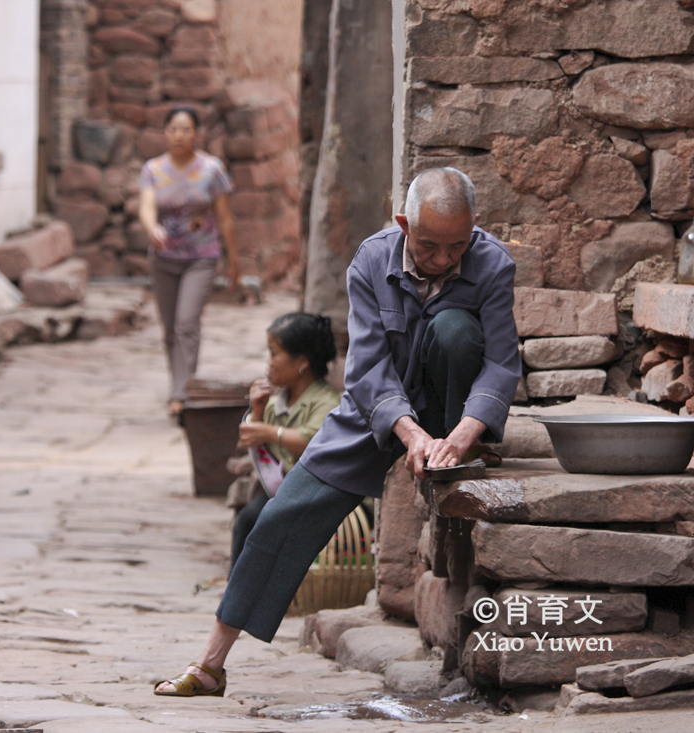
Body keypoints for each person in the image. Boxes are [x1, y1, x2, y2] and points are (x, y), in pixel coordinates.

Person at [154, 167, 522, 697]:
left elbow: (501, 363)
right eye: (429, 246)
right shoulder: (371, 260)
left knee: (456, 330)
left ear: (475, 228)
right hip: (376, 409)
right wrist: (411, 436)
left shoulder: (492, 264)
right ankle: (212, 662)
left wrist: (462, 434)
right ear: (403, 224)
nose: (444, 259)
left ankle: (459, 452)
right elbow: (369, 368)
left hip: (453, 413)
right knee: (283, 513)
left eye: (456, 246)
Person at [139, 106, 240, 420]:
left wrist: (233, 261)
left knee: (186, 323)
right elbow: (146, 206)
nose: (179, 136)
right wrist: (151, 227)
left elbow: (224, 219)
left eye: (186, 130)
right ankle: (179, 384)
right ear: (165, 132)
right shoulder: (153, 169)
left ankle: (183, 393)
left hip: (201, 257)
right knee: (170, 329)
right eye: (173, 129)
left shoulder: (212, 169)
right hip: (163, 259)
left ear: (197, 134)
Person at [230, 312, 340, 575]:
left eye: (274, 354)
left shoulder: (327, 402)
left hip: (317, 499)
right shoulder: (277, 401)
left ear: (301, 361)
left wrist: (269, 432)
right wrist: (256, 412)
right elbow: (246, 439)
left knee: (258, 517)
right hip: (283, 496)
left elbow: (314, 439)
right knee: (249, 517)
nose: (269, 363)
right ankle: (236, 591)